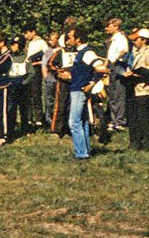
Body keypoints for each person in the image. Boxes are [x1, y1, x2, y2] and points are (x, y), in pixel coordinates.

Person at [66, 26, 108, 160]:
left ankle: (81, 153)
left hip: (79, 91)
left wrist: (92, 83)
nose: (68, 40)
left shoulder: (87, 52)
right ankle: (85, 150)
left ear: (78, 39)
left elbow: (101, 68)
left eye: (70, 37)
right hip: (77, 89)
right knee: (83, 121)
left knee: (74, 122)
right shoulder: (80, 52)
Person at [125, 29, 149, 151]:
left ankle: (148, 144)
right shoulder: (134, 52)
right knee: (133, 117)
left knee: (144, 118)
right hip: (133, 89)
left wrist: (136, 74)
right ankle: (135, 142)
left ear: (144, 40)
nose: (134, 42)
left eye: (136, 39)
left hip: (144, 90)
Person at [105, 18, 130, 131]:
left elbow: (124, 50)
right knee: (112, 94)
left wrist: (115, 58)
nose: (108, 28)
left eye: (110, 26)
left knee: (119, 94)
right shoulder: (113, 39)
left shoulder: (121, 38)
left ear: (116, 27)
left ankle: (120, 121)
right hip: (112, 65)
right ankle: (113, 119)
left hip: (118, 65)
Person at [24, 25, 49, 127]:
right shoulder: (27, 43)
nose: (25, 35)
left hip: (36, 69)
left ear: (33, 32)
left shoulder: (41, 42)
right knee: (27, 94)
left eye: (27, 33)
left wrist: (37, 63)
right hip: (27, 69)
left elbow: (48, 55)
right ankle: (29, 118)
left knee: (36, 93)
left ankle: (39, 118)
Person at [8, 35, 33, 134]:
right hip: (11, 84)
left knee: (24, 107)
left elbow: (31, 72)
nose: (12, 47)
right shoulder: (9, 57)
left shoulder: (26, 57)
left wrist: (24, 82)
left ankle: (25, 128)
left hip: (22, 84)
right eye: (11, 45)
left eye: (14, 45)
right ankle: (10, 129)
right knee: (11, 108)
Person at [41, 31, 61, 128]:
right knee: (49, 100)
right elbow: (44, 65)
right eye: (49, 40)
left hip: (60, 77)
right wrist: (46, 77)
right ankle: (49, 120)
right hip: (50, 77)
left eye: (53, 40)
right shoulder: (48, 51)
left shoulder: (62, 50)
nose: (50, 42)